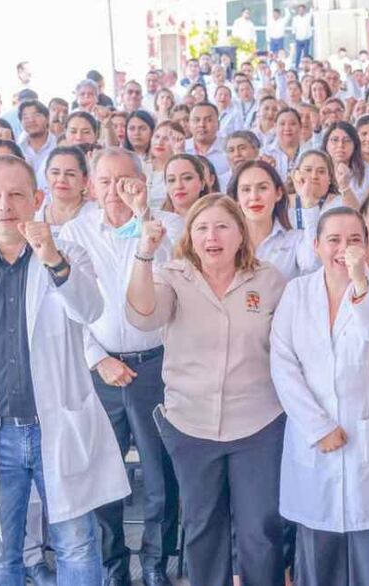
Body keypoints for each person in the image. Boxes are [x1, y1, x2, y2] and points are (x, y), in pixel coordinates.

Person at [0, 154, 129, 584]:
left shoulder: (67, 255)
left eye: (17, 194)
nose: (5, 205)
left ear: (37, 199)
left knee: (77, 544)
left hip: (56, 425)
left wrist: (53, 259)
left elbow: (90, 310)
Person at [126, 194, 288, 586]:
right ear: (190, 236)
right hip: (191, 424)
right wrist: (144, 255)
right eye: (201, 228)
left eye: (222, 227)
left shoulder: (269, 280)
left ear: (240, 234)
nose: (211, 236)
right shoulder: (172, 275)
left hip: (258, 424)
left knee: (260, 527)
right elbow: (143, 315)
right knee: (202, 527)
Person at [270, 207, 369, 585]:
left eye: (354, 240)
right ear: (316, 245)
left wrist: (359, 282)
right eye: (333, 240)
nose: (343, 248)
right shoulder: (296, 292)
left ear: (366, 246)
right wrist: (317, 426)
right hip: (315, 439)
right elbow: (283, 364)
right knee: (320, 556)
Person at [59, 148, 183, 586]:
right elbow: (68, 307)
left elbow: (174, 282)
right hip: (100, 370)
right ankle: (113, 566)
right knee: (104, 476)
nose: (116, 190)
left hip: (158, 366)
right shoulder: (73, 232)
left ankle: (154, 564)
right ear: (91, 188)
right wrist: (98, 358)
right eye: (106, 181)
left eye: (125, 180)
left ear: (142, 182)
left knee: (160, 474)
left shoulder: (169, 225)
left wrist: (144, 215)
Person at [227, 160, 315, 281]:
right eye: (246, 189)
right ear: (236, 198)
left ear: (278, 193)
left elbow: (311, 265)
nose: (254, 196)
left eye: (263, 188)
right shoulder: (226, 240)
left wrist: (308, 202)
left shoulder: (294, 240)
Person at [37, 146, 95, 235]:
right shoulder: (35, 213)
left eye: (70, 174)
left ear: (85, 180)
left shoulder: (94, 214)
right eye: (55, 173)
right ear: (46, 176)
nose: (61, 179)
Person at [292, 4, 314, 69]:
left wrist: (312, 7)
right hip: (298, 39)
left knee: (306, 55)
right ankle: (296, 67)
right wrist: (294, 38)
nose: (301, 11)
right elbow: (293, 29)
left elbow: (311, 11)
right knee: (298, 54)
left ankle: (306, 67)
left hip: (306, 39)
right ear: (298, 11)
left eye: (302, 10)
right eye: (299, 10)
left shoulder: (308, 16)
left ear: (304, 10)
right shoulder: (295, 18)